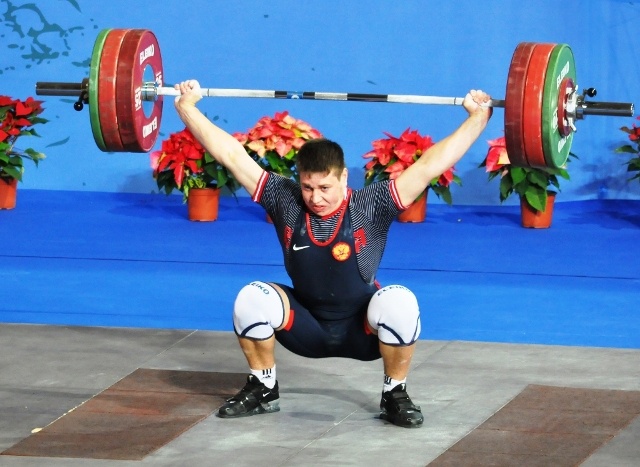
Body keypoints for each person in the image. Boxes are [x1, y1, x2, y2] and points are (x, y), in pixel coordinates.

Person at [173, 80, 492, 428]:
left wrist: (477, 118)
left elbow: (430, 164)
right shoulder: (285, 199)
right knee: (251, 297)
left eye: (325, 187)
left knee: (400, 300)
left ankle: (394, 394)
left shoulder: (372, 204)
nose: (316, 197)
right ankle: (263, 387)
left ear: (343, 178)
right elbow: (231, 155)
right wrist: (187, 108)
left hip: (363, 331)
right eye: (308, 187)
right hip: (305, 327)